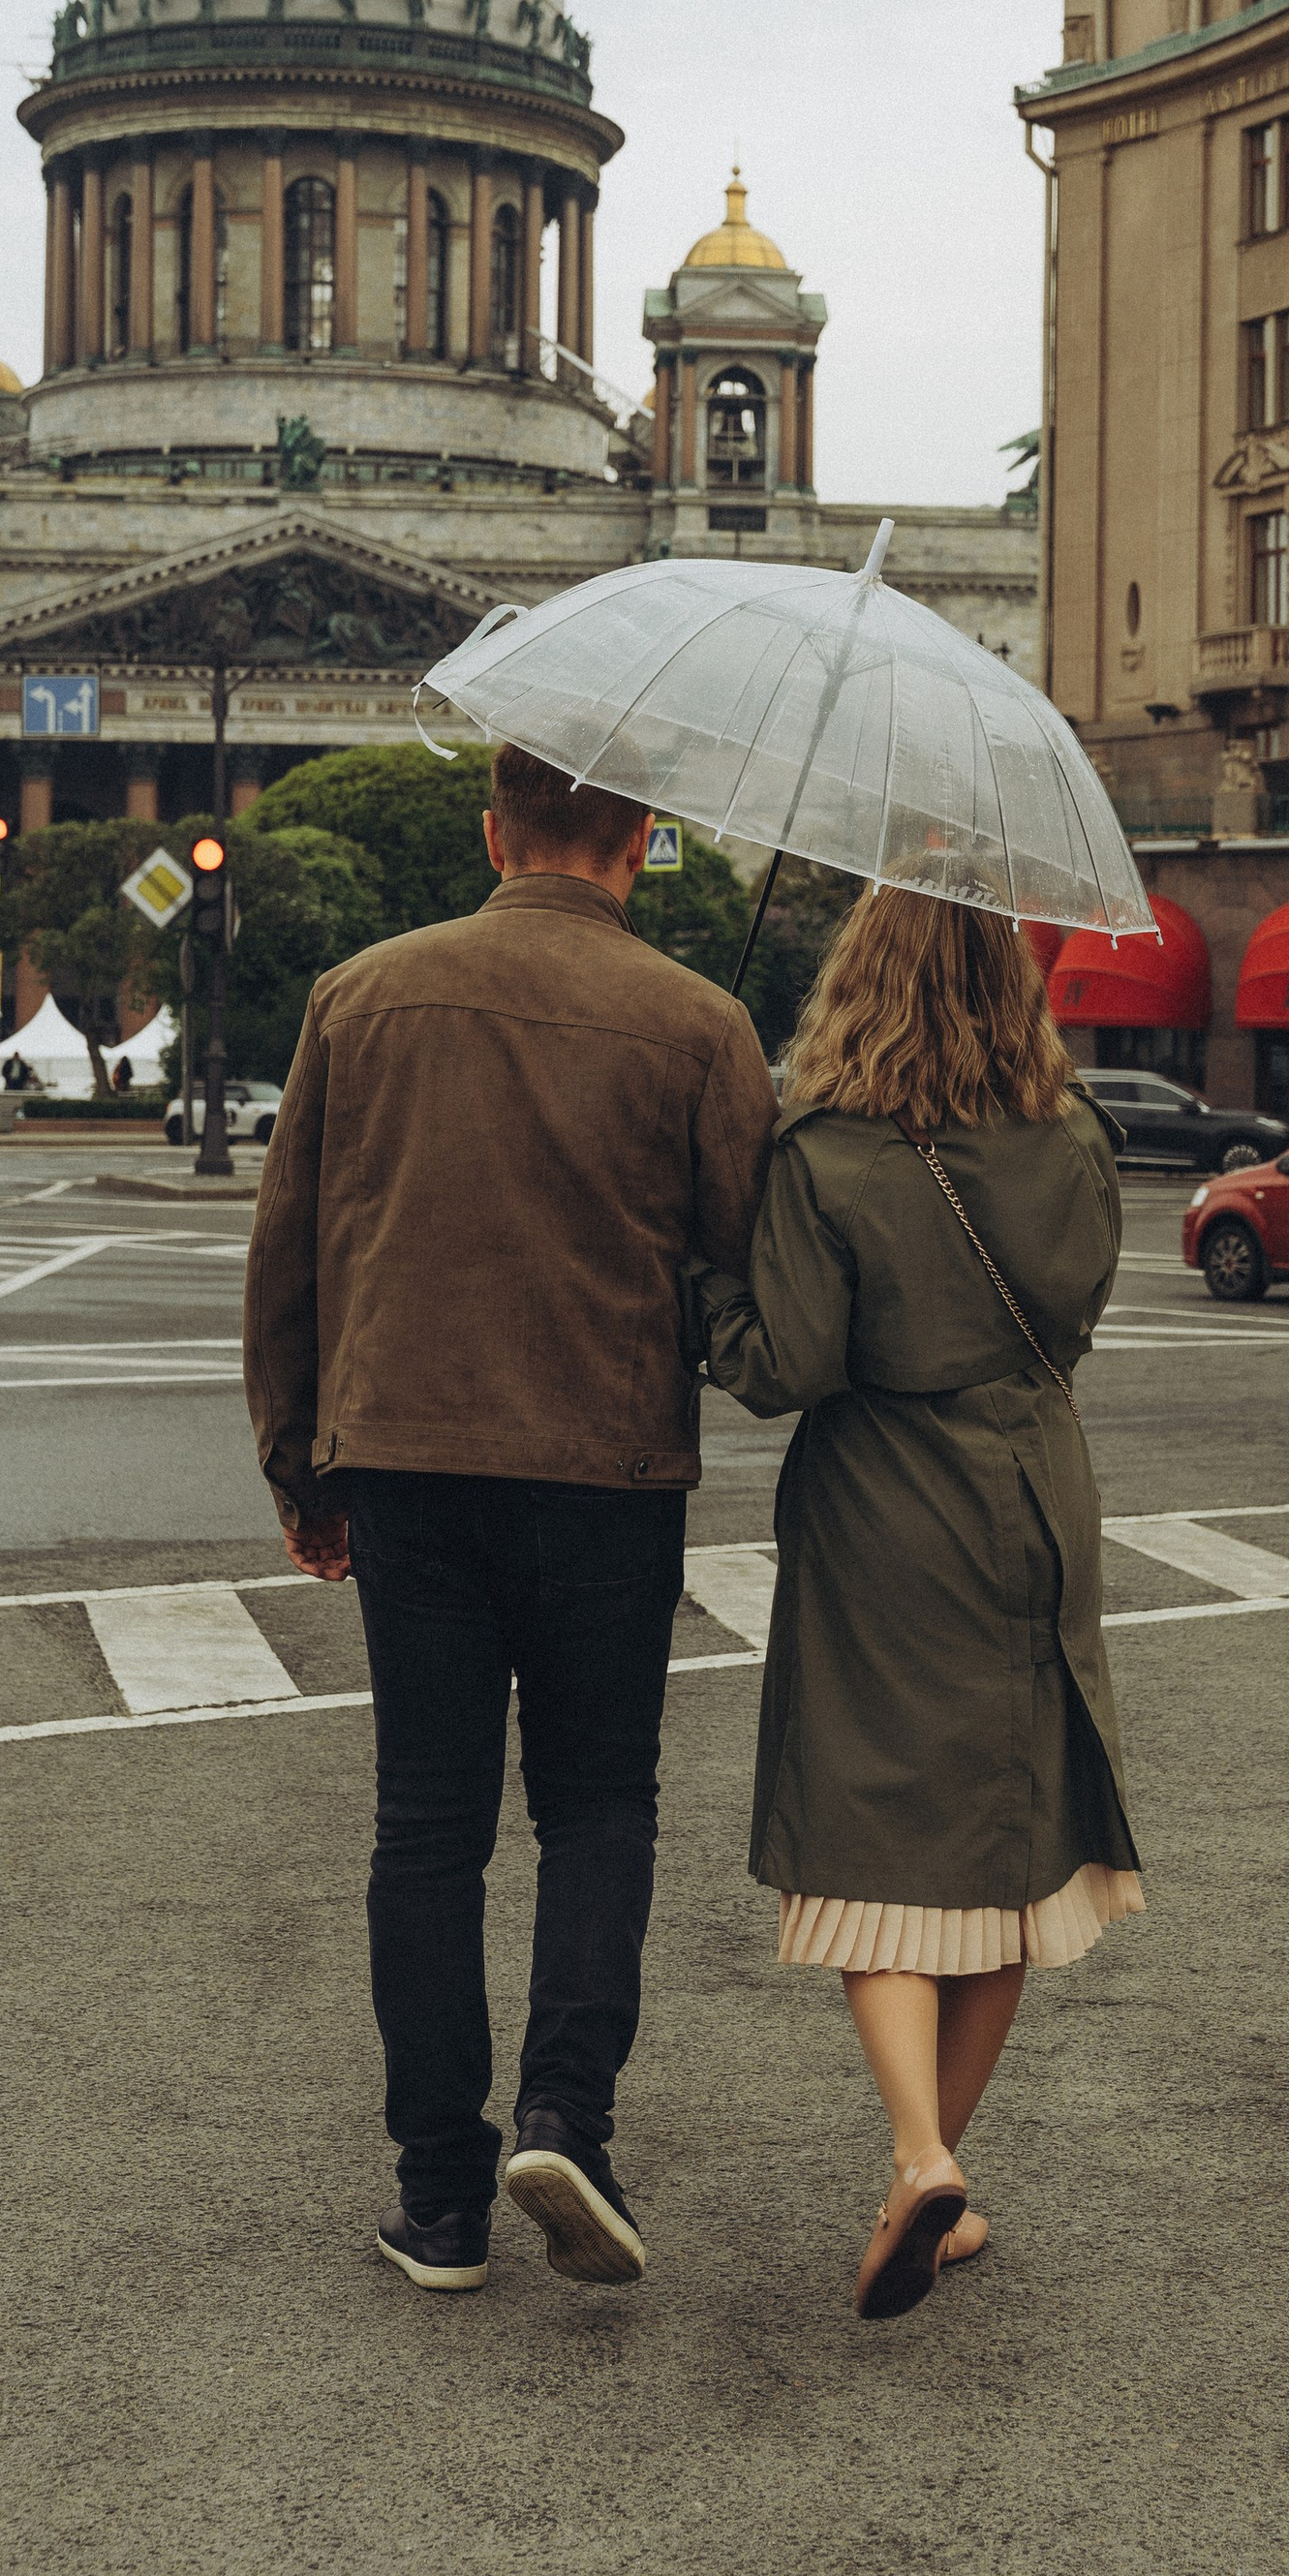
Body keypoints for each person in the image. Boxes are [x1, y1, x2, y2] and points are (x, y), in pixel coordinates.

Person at [244, 744, 777, 2299]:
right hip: (607, 1470)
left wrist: (302, 1470)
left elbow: (288, 1252)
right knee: (599, 1806)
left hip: (407, 1462)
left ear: (495, 833)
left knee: (429, 1824)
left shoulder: (359, 996)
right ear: (643, 839)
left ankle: (441, 2200)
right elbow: (750, 1267)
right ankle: (567, 2122)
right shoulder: (701, 1020)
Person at [691, 892, 1142, 2326]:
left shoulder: (828, 1155)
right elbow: (1076, 1317)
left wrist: (708, 1280)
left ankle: (917, 2154)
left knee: (875, 1827)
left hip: (886, 1510)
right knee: (1015, 1840)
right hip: (1039, 1491)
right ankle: (932, 2181)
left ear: (861, 983)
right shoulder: (1076, 1138)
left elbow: (782, 1366)